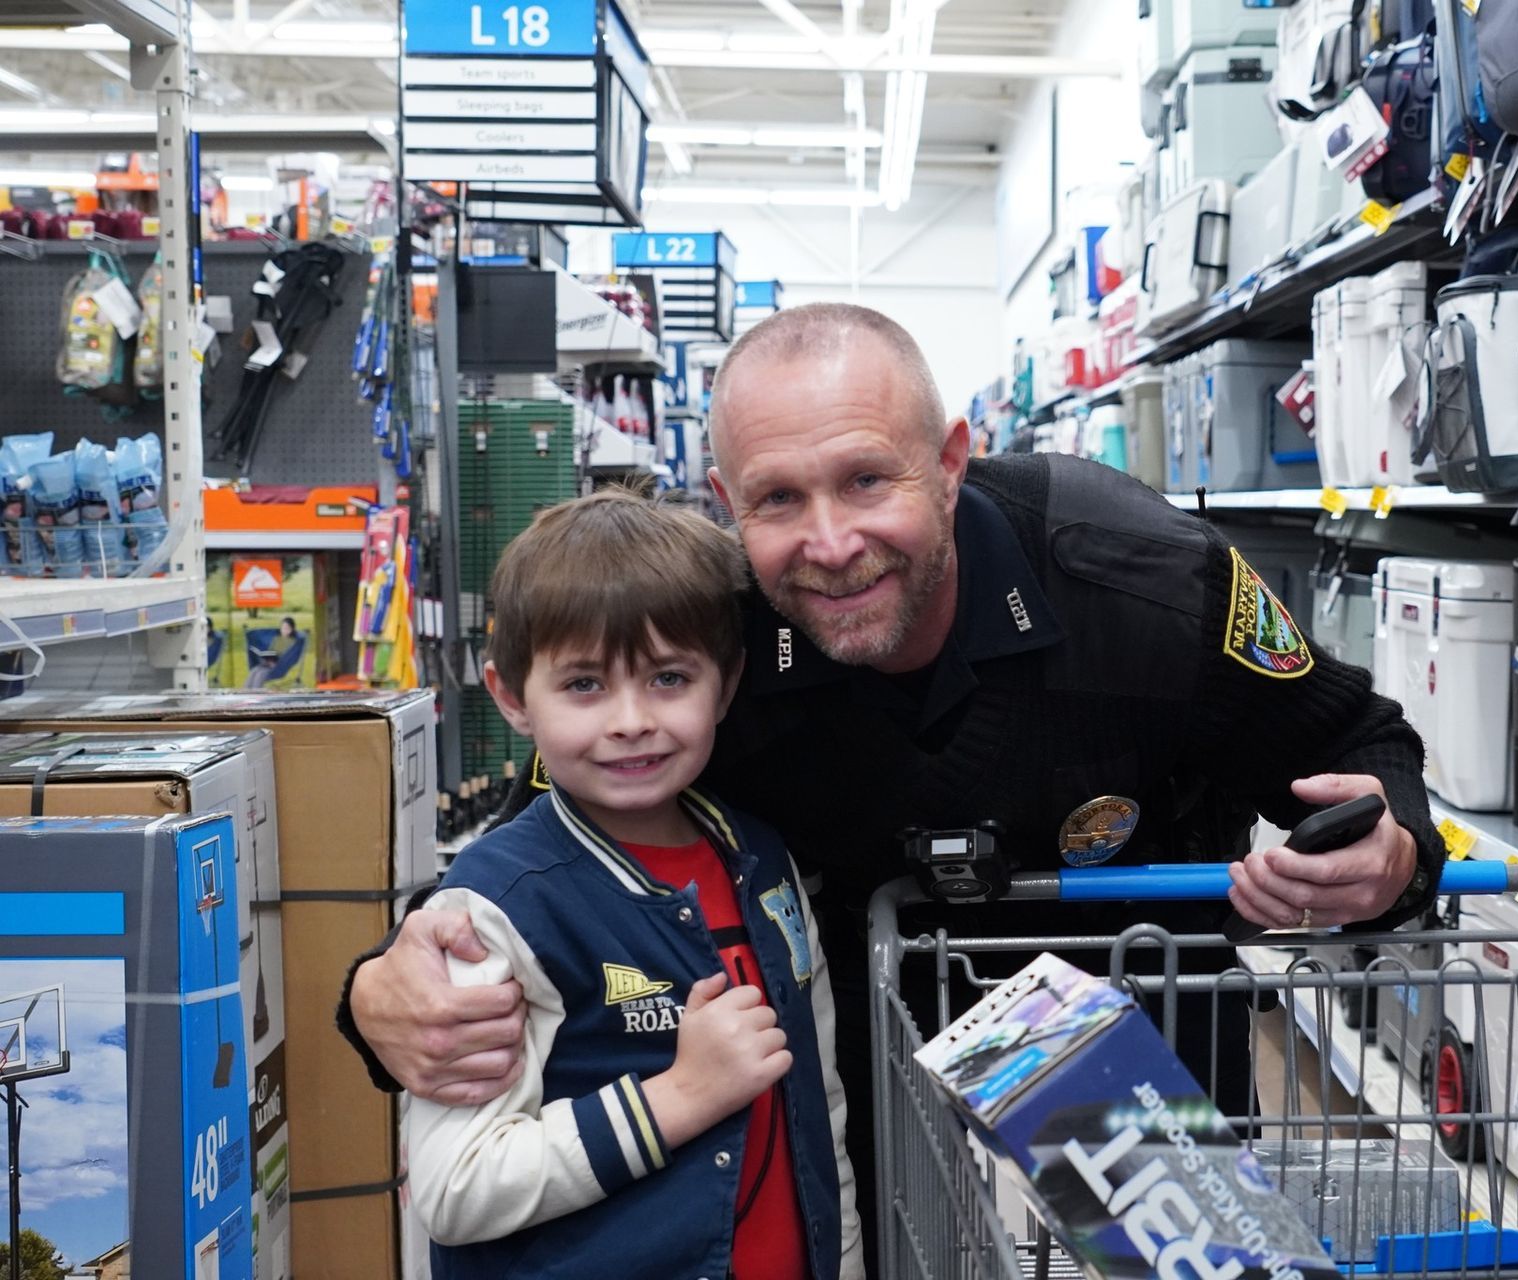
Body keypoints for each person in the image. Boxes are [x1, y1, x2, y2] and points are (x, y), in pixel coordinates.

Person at [338, 302, 1443, 1242]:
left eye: (869, 479)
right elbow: (554, 845)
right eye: (777, 500)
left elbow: (1358, 740)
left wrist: (1388, 849)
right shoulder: (709, 649)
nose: (829, 542)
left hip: (1141, 1107)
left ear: (953, 461)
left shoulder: (1147, 586)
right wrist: (381, 984)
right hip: (872, 1120)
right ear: (728, 506)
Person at [401, 488, 862, 1279]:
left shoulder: (762, 861)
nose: (629, 720)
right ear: (512, 697)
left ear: (728, 680)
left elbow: (821, 1105)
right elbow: (454, 1187)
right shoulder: (493, 908)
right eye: (584, 685)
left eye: (669, 678)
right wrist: (678, 1097)